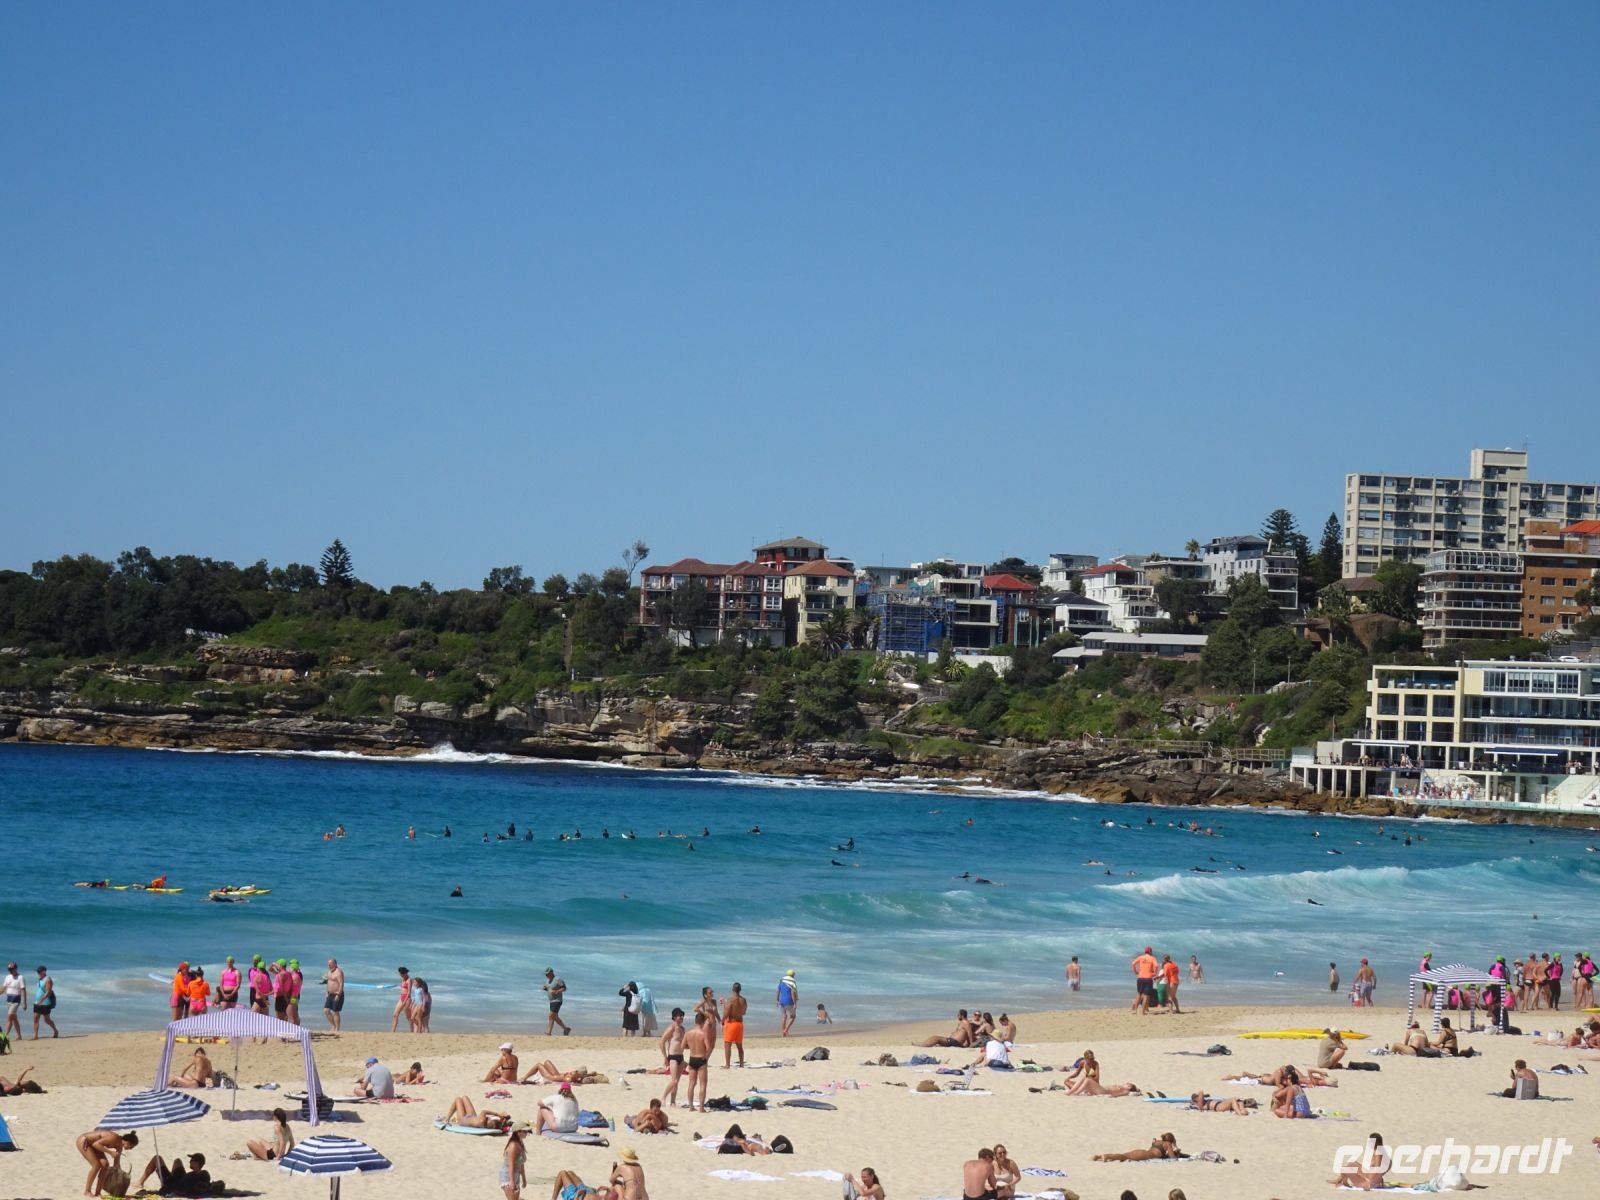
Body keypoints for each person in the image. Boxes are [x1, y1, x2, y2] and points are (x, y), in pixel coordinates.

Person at [77, 1128, 138, 1197]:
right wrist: (110, 1152)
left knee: (105, 1165)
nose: (131, 1149)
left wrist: (119, 1173)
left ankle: (98, 1192)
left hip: (94, 1144)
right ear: (127, 1142)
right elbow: (96, 1144)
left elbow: (116, 1163)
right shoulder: (114, 1138)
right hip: (84, 1141)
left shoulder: (120, 1147)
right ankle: (87, 1191)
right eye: (131, 1146)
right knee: (96, 1165)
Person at [135, 1150, 217, 1197]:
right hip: (180, 1179)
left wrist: (151, 1192)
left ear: (196, 1163)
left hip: (171, 1183)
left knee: (157, 1158)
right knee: (178, 1161)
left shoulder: (193, 1177)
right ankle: (169, 1175)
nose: (189, 1161)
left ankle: (140, 1182)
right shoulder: (204, 1173)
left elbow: (175, 1188)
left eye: (191, 1160)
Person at [1062, 1049, 1139, 1097]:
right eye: (1089, 1059)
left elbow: (1097, 1078)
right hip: (1095, 1086)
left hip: (1096, 1085)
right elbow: (1076, 1073)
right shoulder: (1082, 1062)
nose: (1091, 1060)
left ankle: (1075, 1093)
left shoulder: (1095, 1064)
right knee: (1067, 1081)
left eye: (1092, 1058)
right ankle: (1072, 1092)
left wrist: (1089, 1073)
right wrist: (1069, 1077)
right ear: (1085, 1058)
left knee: (1085, 1079)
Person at [684, 1010, 714, 1113]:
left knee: (691, 1083)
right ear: (703, 1022)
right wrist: (705, 1056)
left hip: (692, 1059)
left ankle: (691, 1107)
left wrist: (691, 1047)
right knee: (703, 1084)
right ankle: (701, 1107)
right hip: (701, 1059)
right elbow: (709, 1047)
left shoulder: (688, 1033)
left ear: (695, 1021)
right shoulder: (703, 1034)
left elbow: (682, 1046)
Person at [659, 1007, 688, 1107]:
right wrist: (665, 1057)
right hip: (672, 1057)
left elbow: (683, 1043)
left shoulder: (683, 1029)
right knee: (674, 1081)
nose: (681, 1017)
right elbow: (662, 1041)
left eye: (682, 1016)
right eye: (679, 1016)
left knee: (677, 1082)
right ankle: (663, 1097)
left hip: (681, 1057)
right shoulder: (672, 1028)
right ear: (674, 1017)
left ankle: (673, 1101)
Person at [1093, 1133, 1183, 1162]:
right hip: (1145, 1155)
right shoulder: (1167, 1143)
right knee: (1124, 1157)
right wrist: (1177, 1154)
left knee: (1123, 1155)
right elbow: (1173, 1158)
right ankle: (1106, 1156)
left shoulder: (1156, 1141)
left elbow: (1158, 1151)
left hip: (1142, 1151)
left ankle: (1099, 1157)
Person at [443, 1095, 512, 1129]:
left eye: (489, 1120)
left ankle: (447, 1119)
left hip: (463, 1120)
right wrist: (503, 1118)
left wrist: (497, 1114)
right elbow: (499, 1123)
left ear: (488, 1125)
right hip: (472, 1116)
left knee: (458, 1099)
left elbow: (484, 1111)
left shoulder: (482, 1121)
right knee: (465, 1097)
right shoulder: (489, 1123)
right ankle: (450, 1118)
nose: (489, 1119)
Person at [722, 983, 747, 1068]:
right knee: (739, 1046)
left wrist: (722, 1019)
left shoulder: (731, 1000)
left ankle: (727, 1065)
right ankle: (741, 1064)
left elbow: (727, 1012)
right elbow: (744, 1012)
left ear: (732, 989)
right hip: (740, 1024)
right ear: (740, 989)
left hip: (732, 1023)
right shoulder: (743, 1000)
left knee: (727, 1044)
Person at [30, 965, 58, 1039]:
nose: (37, 973)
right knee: (35, 1018)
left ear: (44, 971)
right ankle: (35, 1035)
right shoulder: (40, 979)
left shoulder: (48, 979)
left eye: (39, 971)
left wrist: (41, 1000)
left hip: (45, 1002)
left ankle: (55, 1030)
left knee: (47, 1020)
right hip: (37, 1002)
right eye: (37, 971)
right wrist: (38, 1000)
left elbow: (48, 991)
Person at [502, 1124, 529, 1200]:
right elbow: (511, 1165)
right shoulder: (513, 1145)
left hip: (516, 1175)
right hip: (508, 1176)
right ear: (518, 1132)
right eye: (525, 1131)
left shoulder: (520, 1143)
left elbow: (521, 1163)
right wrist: (512, 1182)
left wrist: (524, 1178)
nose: (527, 1133)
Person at [1130, 946, 1158, 1014]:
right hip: (1148, 978)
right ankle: (1143, 1011)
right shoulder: (1152, 958)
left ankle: (1135, 1010)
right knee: (1146, 995)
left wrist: (1135, 972)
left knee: (1139, 994)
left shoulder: (1141, 957)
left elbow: (1133, 963)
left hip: (1140, 977)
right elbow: (1156, 966)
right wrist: (1154, 973)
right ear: (1150, 952)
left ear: (1145, 951)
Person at [4, 961, 27, 1041]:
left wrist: (24, 1002)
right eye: (9, 969)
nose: (10, 971)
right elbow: (3, 988)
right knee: (14, 1018)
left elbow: (23, 990)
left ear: (15, 968)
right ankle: (19, 1036)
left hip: (16, 1001)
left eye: (12, 969)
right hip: (9, 1001)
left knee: (10, 1016)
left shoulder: (20, 977)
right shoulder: (7, 977)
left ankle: (4, 1036)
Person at [544, 967, 571, 1035]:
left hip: (557, 1000)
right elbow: (547, 988)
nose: (546, 975)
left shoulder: (558, 979)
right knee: (555, 1017)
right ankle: (566, 1029)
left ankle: (549, 1032)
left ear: (552, 973)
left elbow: (564, 988)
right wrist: (545, 988)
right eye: (545, 974)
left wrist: (557, 991)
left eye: (548, 974)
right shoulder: (547, 981)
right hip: (551, 1001)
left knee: (551, 1015)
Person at [323, 958, 345, 1032]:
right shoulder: (329, 972)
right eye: (328, 964)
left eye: (330, 964)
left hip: (337, 994)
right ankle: (333, 1025)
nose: (329, 965)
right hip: (330, 994)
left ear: (335, 964)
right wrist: (327, 992)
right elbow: (328, 982)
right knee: (326, 1011)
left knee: (335, 1011)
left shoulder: (338, 972)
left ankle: (337, 1029)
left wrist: (338, 995)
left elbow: (341, 984)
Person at [776, 969, 798, 1036]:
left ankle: (783, 1032)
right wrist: (794, 1003)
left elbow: (778, 991)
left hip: (781, 1001)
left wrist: (777, 1000)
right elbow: (792, 993)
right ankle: (786, 1030)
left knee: (784, 1016)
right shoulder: (792, 983)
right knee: (793, 1016)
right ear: (793, 975)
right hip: (789, 1001)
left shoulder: (781, 981)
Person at [390, 966, 412, 1032]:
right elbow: (402, 988)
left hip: (407, 998)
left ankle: (412, 1030)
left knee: (408, 1016)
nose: (400, 975)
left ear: (405, 973)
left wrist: (405, 1001)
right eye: (400, 974)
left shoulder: (409, 980)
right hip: (401, 997)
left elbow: (409, 992)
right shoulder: (403, 979)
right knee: (395, 1014)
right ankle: (392, 1031)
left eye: (401, 974)